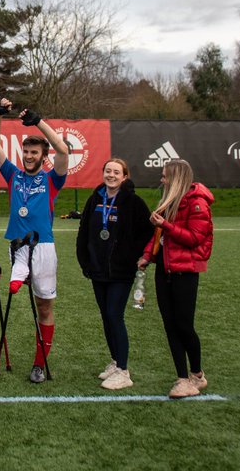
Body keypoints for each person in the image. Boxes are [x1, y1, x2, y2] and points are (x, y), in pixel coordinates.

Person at [0, 98, 69, 384]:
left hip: (44, 246)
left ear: (42, 156)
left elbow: (62, 149)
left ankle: (39, 364)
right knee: (17, 281)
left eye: (34, 152)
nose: (28, 155)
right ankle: (18, 276)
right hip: (18, 244)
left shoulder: (52, 179)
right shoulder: (13, 175)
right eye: (26, 151)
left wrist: (39, 122)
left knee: (45, 306)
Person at [137, 158, 214, 399]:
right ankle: (182, 378)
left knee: (184, 325)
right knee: (170, 325)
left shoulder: (198, 203)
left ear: (177, 178)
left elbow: (194, 238)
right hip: (165, 271)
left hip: (185, 272)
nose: (161, 179)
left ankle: (197, 375)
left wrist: (167, 225)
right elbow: (158, 236)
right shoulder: (168, 202)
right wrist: (147, 255)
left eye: (165, 176)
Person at [75, 158, 153, 390]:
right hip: (97, 270)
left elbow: (147, 231)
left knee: (114, 314)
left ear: (124, 176)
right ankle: (115, 361)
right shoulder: (95, 198)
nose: (111, 175)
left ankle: (123, 371)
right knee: (106, 315)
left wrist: (134, 256)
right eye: (107, 171)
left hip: (120, 271)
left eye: (116, 172)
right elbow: (84, 230)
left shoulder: (133, 202)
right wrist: (85, 259)